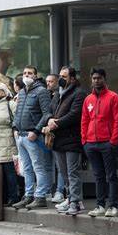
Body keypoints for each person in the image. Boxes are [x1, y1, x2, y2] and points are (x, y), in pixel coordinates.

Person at [82, 67, 118, 218]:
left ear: (104, 79)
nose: (96, 81)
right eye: (94, 78)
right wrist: (84, 140)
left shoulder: (114, 97)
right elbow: (84, 120)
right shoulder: (88, 99)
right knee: (98, 175)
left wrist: (113, 142)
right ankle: (100, 205)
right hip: (91, 143)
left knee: (111, 175)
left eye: (99, 78)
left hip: (107, 143)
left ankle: (112, 206)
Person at [44, 66, 87, 215]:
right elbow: (49, 109)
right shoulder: (58, 94)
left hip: (72, 138)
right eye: (60, 76)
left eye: (65, 76)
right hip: (58, 140)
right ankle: (71, 198)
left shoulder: (78, 93)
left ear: (72, 78)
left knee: (72, 172)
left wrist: (56, 123)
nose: (61, 79)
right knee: (64, 172)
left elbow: (75, 114)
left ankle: (75, 201)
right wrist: (49, 119)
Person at [12, 65, 53, 210]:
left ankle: (40, 196)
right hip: (21, 135)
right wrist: (15, 127)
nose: (27, 75)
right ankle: (28, 195)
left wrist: (36, 131)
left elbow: (46, 113)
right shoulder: (22, 92)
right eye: (24, 73)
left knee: (38, 167)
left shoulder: (41, 91)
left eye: (30, 73)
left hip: (32, 136)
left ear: (35, 76)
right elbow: (17, 113)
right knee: (26, 168)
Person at [45, 72, 65, 204]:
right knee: (50, 164)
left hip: (60, 134)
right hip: (49, 134)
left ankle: (60, 191)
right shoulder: (47, 95)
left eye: (51, 81)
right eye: (47, 81)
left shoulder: (59, 94)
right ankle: (53, 190)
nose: (48, 84)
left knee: (61, 166)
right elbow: (47, 112)